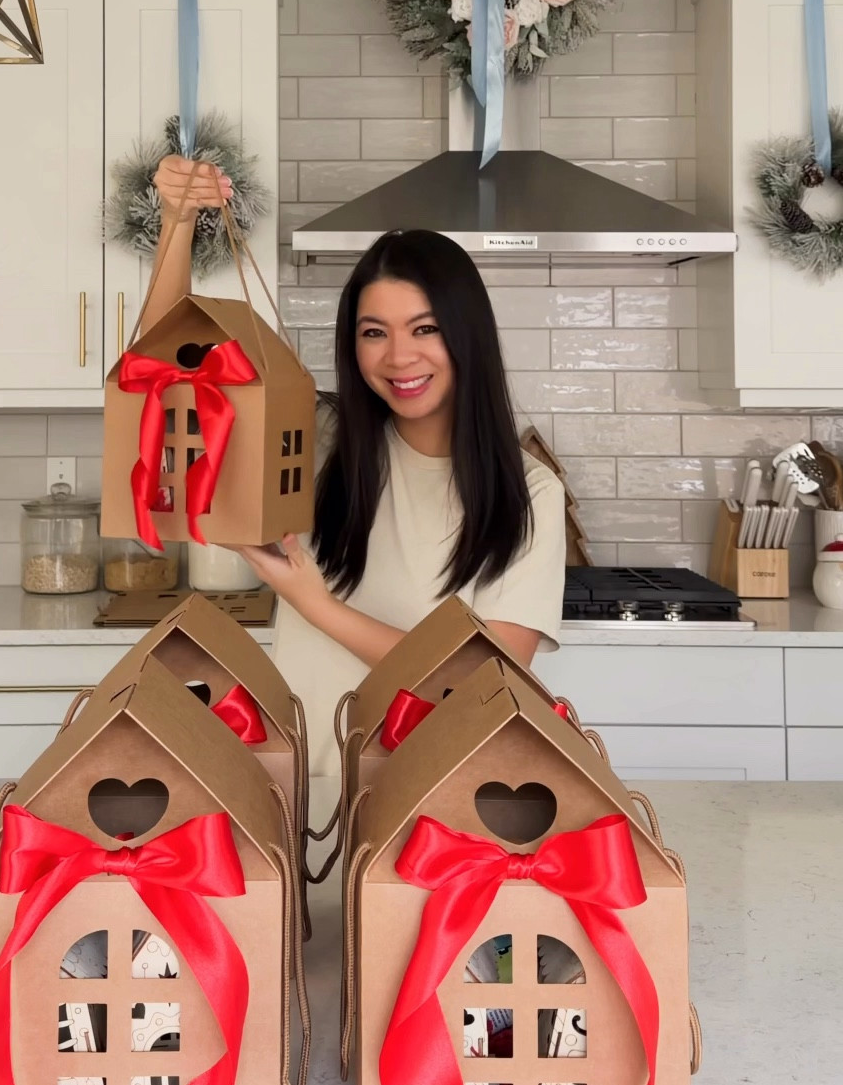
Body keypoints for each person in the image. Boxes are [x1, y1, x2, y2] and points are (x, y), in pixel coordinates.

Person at [146, 157, 566, 781]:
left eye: (425, 328)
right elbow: (163, 376)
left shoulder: (529, 493)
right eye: (374, 332)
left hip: (430, 799)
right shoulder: (319, 439)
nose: (399, 356)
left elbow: (486, 678)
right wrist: (177, 224)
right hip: (297, 787)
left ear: (467, 335)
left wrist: (315, 603)